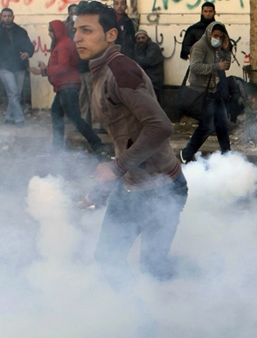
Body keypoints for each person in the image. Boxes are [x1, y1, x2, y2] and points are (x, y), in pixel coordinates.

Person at [74, 1, 187, 283]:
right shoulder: (100, 71)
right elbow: (126, 137)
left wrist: (114, 167)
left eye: (87, 30)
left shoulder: (120, 71)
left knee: (152, 267)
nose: (77, 37)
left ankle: (206, 288)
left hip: (161, 187)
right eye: (75, 30)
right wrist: (100, 191)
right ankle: (137, 321)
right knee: (109, 258)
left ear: (111, 35)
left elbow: (160, 127)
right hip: (132, 186)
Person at [29, 20, 104, 153]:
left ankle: (97, 144)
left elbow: (64, 67)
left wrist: (44, 71)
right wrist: (47, 68)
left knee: (74, 118)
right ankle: (57, 147)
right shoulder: (62, 44)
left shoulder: (63, 45)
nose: (49, 34)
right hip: (64, 86)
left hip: (68, 86)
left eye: (51, 31)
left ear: (57, 31)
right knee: (56, 114)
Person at [179, 21, 232, 163]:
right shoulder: (199, 47)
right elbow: (195, 66)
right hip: (201, 91)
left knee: (222, 124)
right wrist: (216, 66)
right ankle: (186, 153)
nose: (218, 39)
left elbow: (225, 67)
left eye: (220, 37)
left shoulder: (218, 48)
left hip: (214, 90)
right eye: (215, 36)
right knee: (207, 126)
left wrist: (226, 51)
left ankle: (228, 156)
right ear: (209, 34)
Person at [0, 8, 34, 127]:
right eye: (4, 16)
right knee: (13, 93)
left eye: (9, 16)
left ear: (13, 17)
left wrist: (28, 53)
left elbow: (29, 46)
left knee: (16, 94)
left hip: (19, 65)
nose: (7, 18)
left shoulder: (21, 31)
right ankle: (19, 119)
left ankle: (9, 117)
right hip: (5, 66)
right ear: (1, 17)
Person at [133, 29, 164, 102]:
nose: (141, 40)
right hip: (143, 81)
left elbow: (147, 61)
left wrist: (134, 60)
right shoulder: (137, 48)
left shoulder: (153, 47)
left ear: (147, 38)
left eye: (143, 38)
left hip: (153, 81)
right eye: (138, 38)